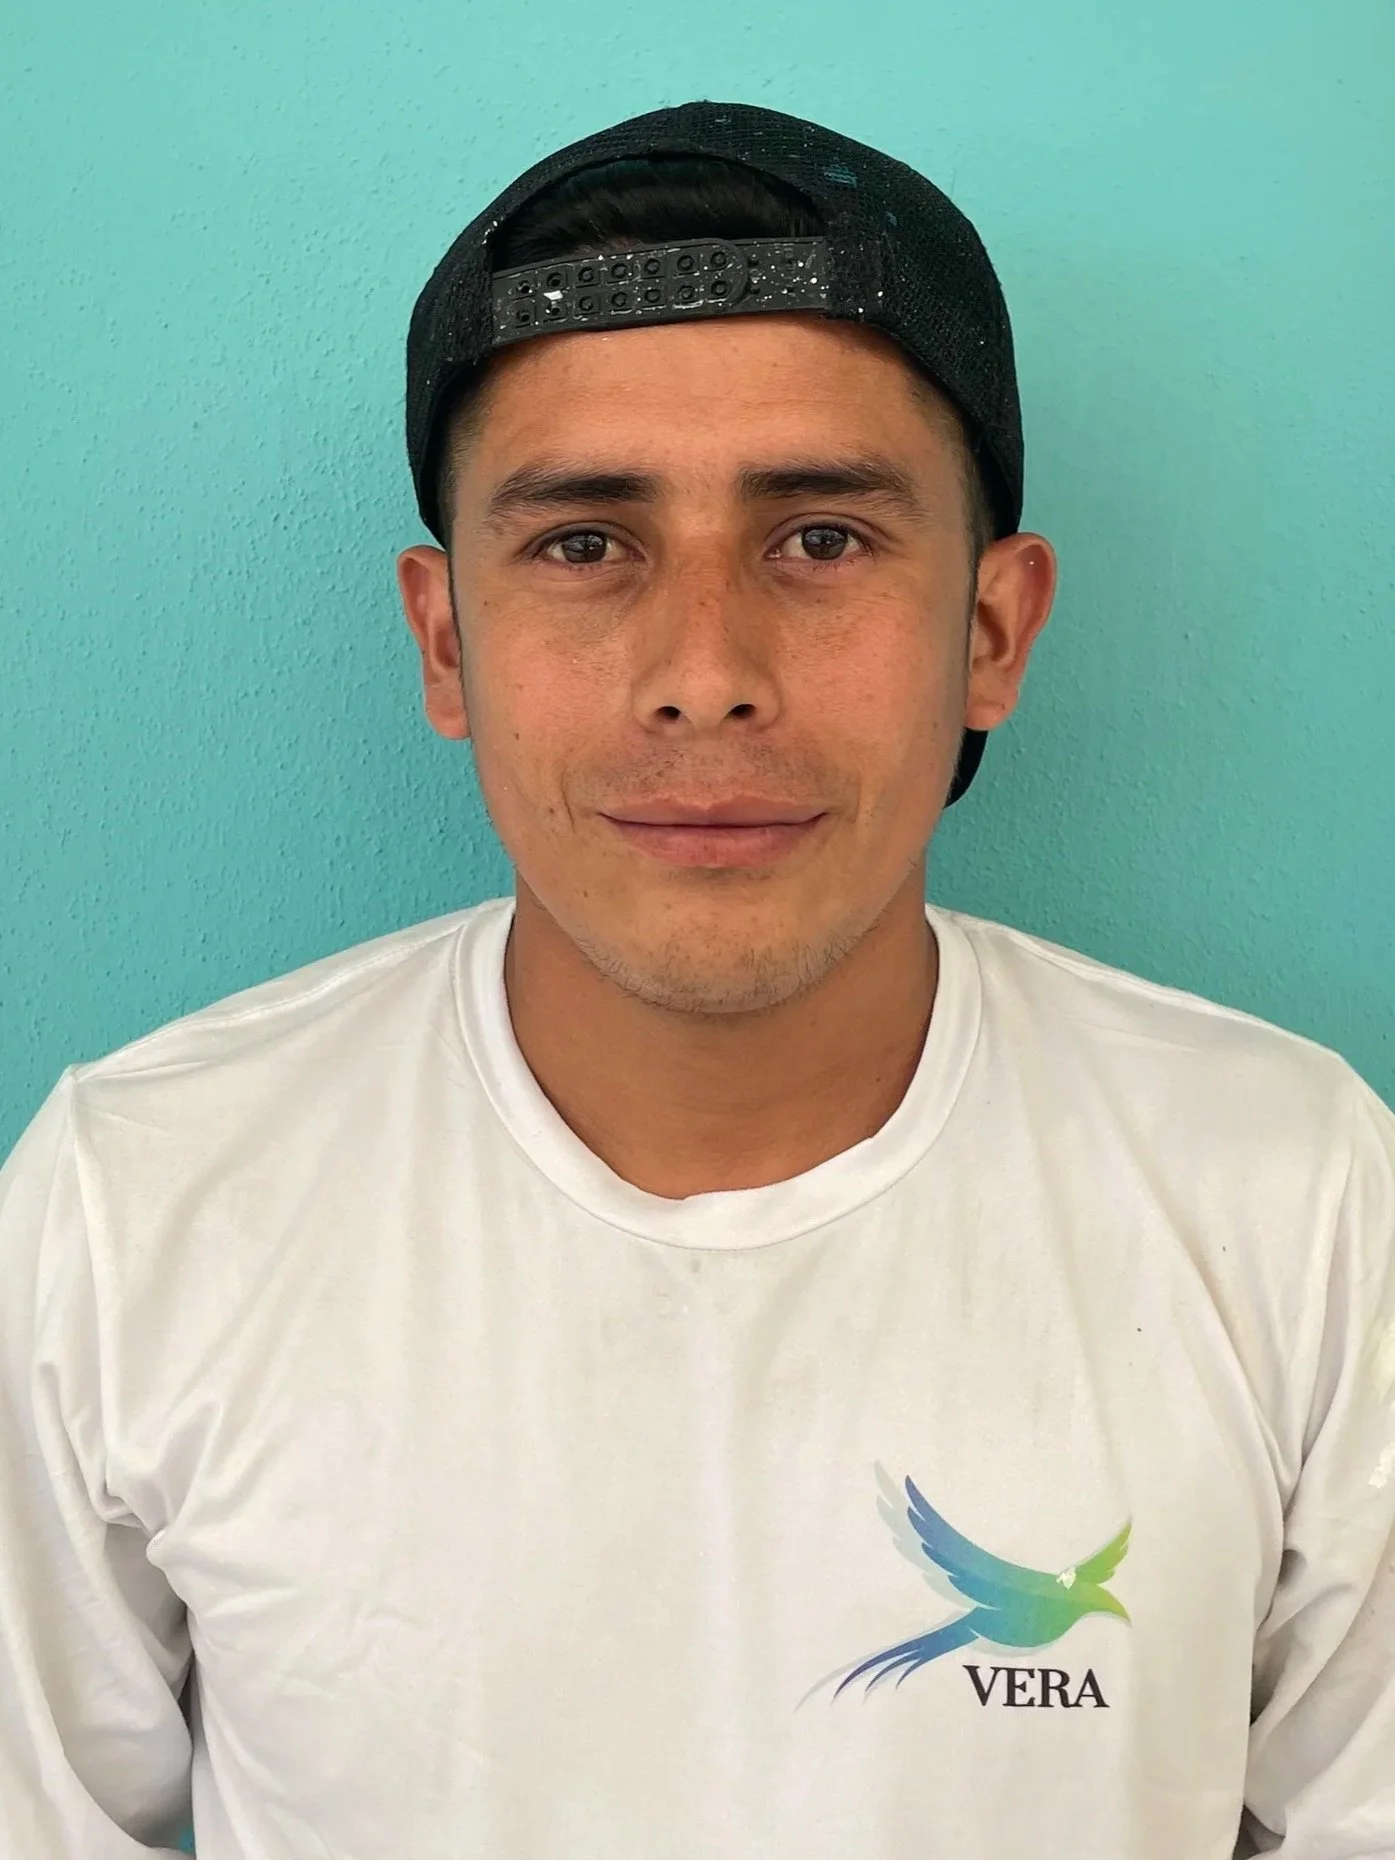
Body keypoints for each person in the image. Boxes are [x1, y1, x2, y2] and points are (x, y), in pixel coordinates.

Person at [0, 99, 1391, 1860]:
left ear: (989, 631)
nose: (704, 672)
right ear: (445, 641)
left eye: (821, 539)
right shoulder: (137, 1205)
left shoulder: (1294, 1194)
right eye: (585, 543)